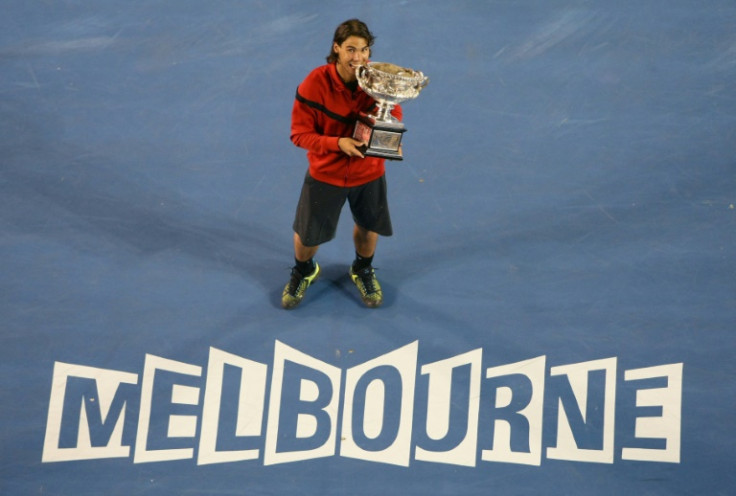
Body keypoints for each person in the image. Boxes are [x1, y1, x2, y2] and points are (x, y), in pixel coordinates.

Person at [281, 18, 402, 310]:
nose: (357, 57)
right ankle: (304, 270)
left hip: (368, 172)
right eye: (350, 49)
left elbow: (393, 114)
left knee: (367, 227)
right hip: (326, 174)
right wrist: (338, 144)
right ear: (336, 49)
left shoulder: (377, 82)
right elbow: (299, 135)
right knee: (308, 236)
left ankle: (362, 268)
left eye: (363, 50)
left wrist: (387, 125)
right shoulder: (314, 83)